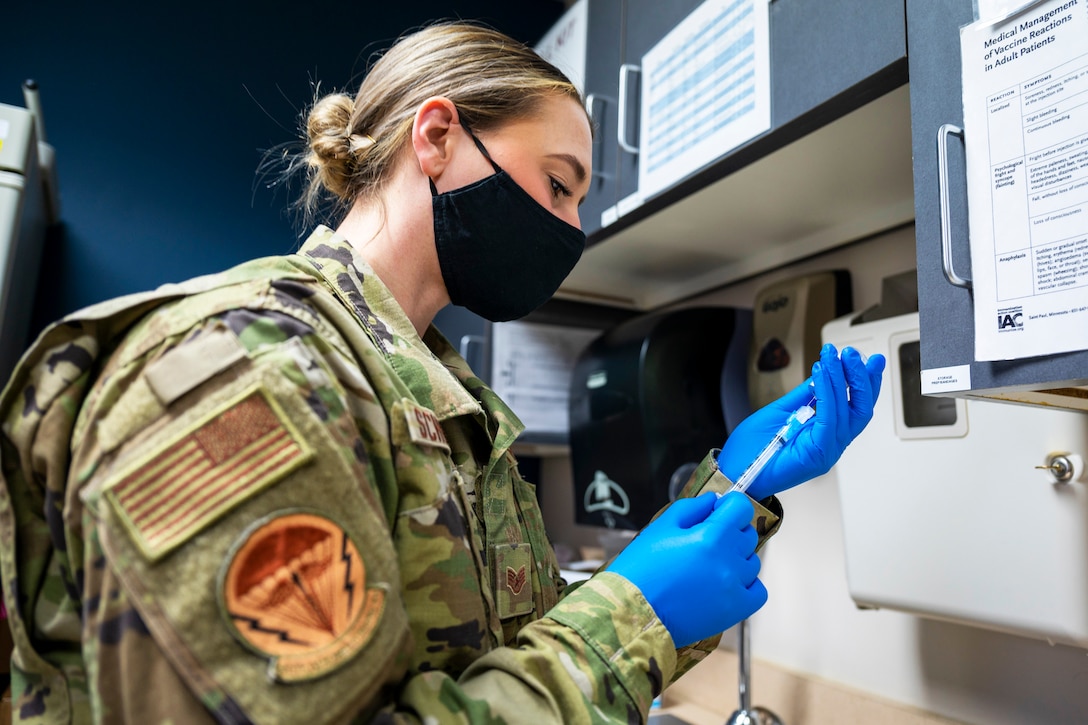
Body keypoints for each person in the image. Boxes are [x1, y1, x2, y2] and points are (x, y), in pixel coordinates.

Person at [0, 21, 884, 724]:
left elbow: (529, 659)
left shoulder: (435, 399)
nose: (572, 231)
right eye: (559, 184)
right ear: (436, 136)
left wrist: (742, 481)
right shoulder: (245, 371)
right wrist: (635, 607)